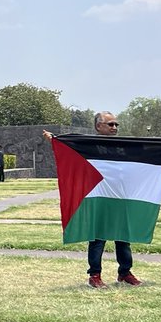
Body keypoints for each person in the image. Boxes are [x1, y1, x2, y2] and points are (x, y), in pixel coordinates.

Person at [43, 111, 141, 288]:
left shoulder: (123, 145)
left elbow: (147, 151)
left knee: (123, 237)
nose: (115, 128)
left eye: (116, 125)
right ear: (98, 126)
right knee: (98, 238)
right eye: (110, 124)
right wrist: (55, 141)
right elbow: (69, 148)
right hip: (99, 197)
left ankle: (125, 273)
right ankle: (94, 275)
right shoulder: (89, 145)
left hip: (119, 197)